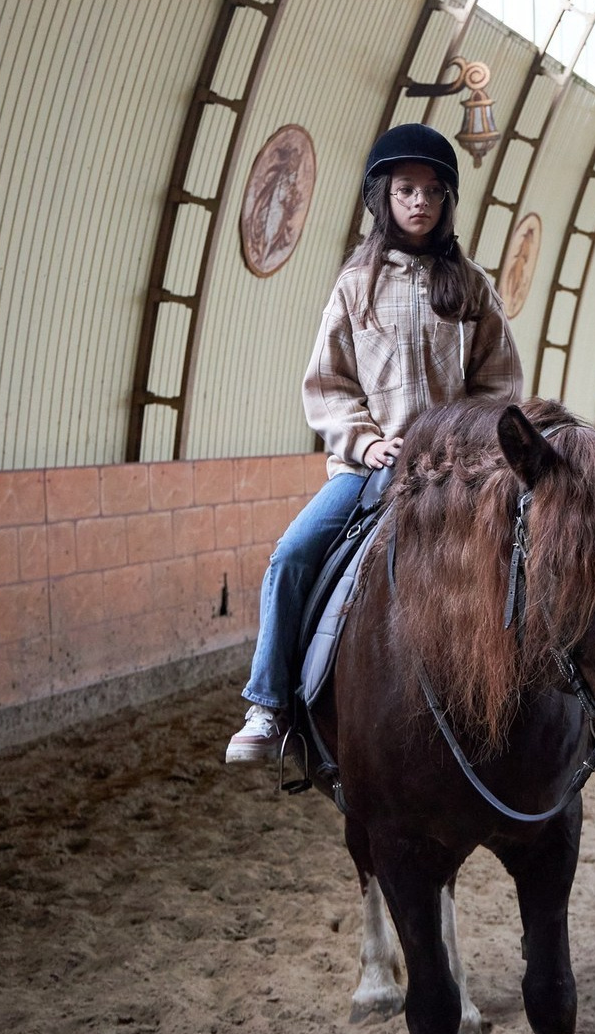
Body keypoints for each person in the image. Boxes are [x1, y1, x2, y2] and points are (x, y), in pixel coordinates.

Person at [226, 123, 523, 763]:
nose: (419, 201)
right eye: (406, 189)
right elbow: (329, 381)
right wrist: (363, 444)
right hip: (369, 468)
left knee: (531, 556)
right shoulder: (355, 285)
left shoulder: (471, 287)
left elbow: (498, 382)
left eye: (432, 192)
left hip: (456, 471)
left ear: (447, 203)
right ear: (382, 199)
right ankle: (269, 703)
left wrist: (467, 450)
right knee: (292, 554)